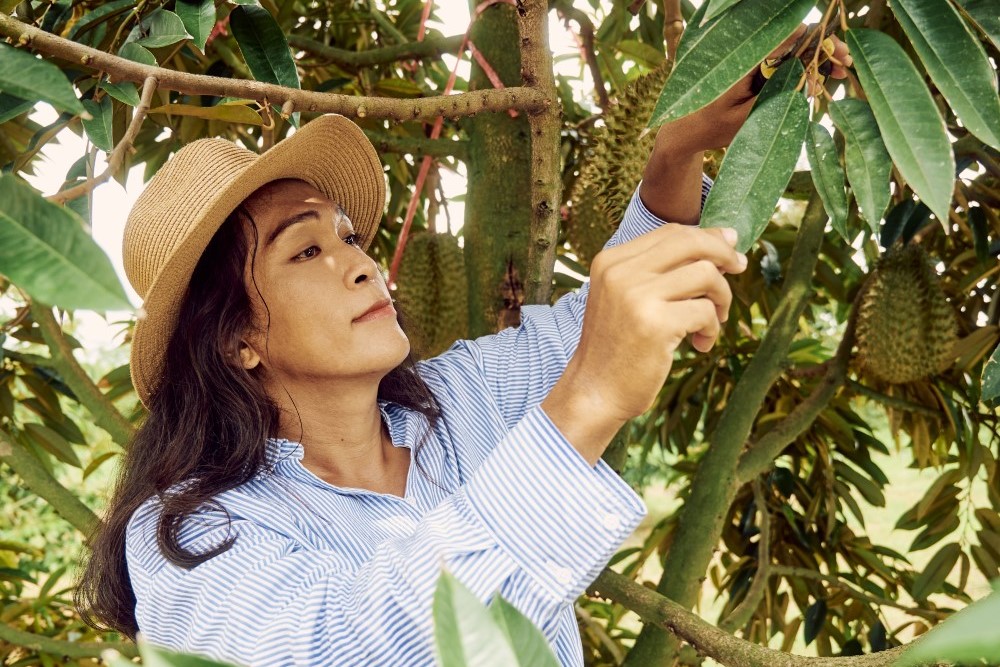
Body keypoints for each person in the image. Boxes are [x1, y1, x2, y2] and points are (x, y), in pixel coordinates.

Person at [74, 29, 851, 667]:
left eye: (349, 236)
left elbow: (600, 325)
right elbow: (340, 647)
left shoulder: (457, 397)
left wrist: (674, 154)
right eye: (306, 251)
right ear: (237, 335)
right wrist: (582, 405)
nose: (361, 261)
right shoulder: (189, 536)